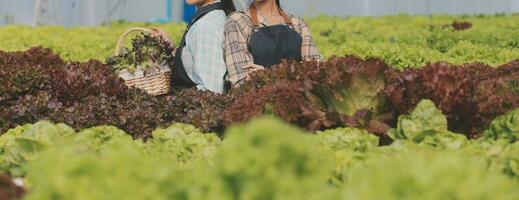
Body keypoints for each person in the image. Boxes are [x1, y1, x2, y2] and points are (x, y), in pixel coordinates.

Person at [224, 0, 323, 87]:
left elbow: (315, 71)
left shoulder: (298, 24)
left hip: (300, 105)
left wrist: (266, 74)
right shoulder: (237, 22)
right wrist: (296, 75)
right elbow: (241, 83)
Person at [155, 0, 235, 94]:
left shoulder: (206, 25)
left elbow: (213, 91)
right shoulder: (208, 17)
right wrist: (171, 49)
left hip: (194, 108)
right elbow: (194, 65)